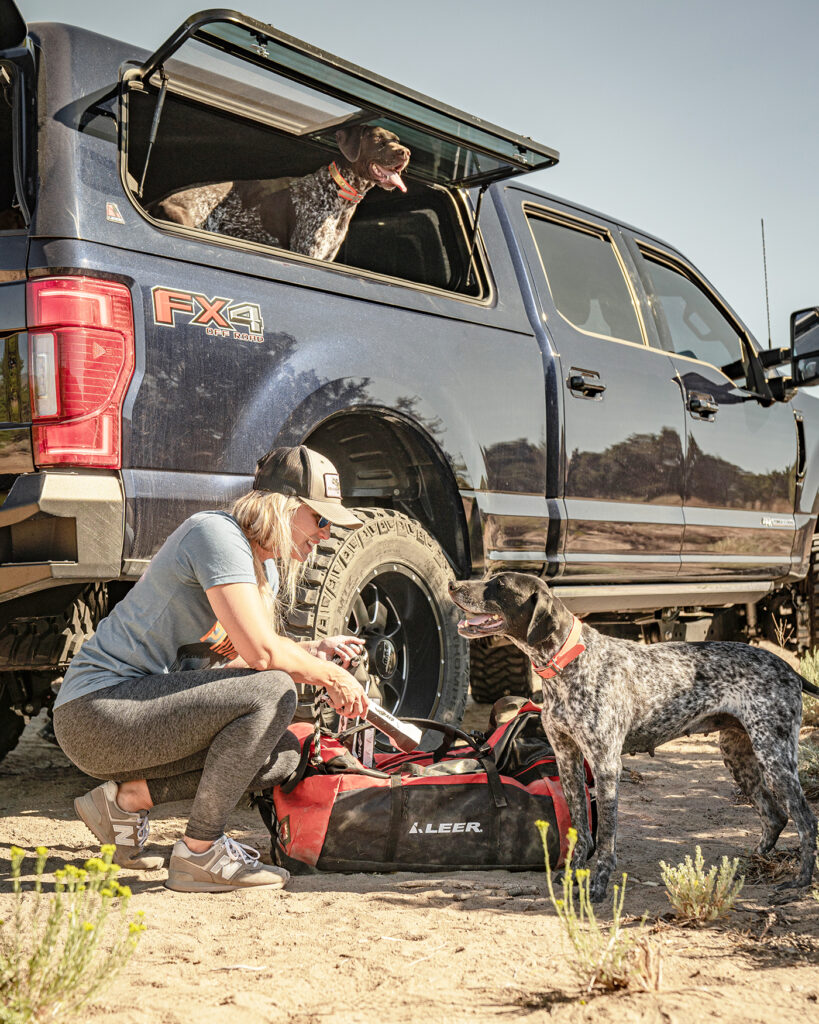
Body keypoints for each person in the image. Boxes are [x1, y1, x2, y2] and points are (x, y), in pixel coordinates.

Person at [53, 445, 369, 893]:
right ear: (283, 507)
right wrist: (330, 676)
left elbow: (236, 665)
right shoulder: (215, 535)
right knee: (275, 688)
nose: (325, 533)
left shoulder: (264, 569)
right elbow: (262, 659)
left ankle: (129, 800)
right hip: (96, 712)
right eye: (319, 519)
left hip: (145, 714)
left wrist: (312, 652)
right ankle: (200, 853)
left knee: (282, 752)